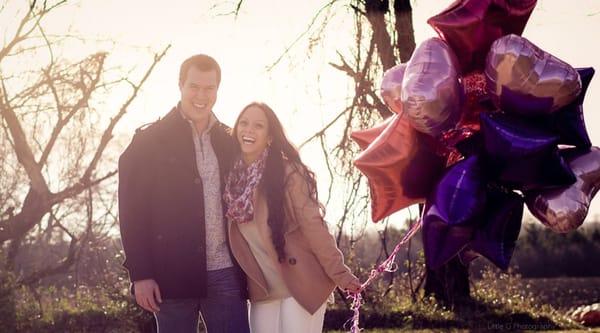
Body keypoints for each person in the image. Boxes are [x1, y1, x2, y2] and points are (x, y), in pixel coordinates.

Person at [118, 54, 250, 333]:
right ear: (180, 85)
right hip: (171, 276)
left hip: (226, 273)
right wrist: (140, 275)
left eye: (209, 88)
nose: (201, 95)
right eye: (194, 86)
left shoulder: (230, 140)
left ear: (217, 89)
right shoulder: (148, 142)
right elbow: (132, 215)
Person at [223, 102, 361, 333]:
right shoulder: (232, 181)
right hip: (263, 291)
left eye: (258, 126)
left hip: (300, 283)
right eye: (244, 123)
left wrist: (341, 274)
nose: (248, 130)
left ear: (269, 137)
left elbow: (314, 227)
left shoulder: (289, 173)